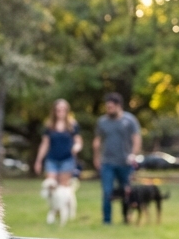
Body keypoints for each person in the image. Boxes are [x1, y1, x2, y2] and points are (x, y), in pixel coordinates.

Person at [93, 92, 141, 224]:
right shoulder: (102, 122)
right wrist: (96, 157)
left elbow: (136, 139)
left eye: (111, 107)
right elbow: (97, 141)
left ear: (118, 106)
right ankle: (107, 221)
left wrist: (133, 154)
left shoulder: (129, 120)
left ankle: (126, 218)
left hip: (125, 162)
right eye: (107, 107)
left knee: (126, 191)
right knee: (107, 191)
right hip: (107, 162)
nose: (108, 109)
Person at [33, 99, 83, 187]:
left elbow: (78, 142)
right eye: (58, 109)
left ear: (67, 110)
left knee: (63, 189)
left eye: (64, 109)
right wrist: (38, 160)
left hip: (67, 159)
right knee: (51, 186)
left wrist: (76, 147)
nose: (61, 111)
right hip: (52, 159)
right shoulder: (49, 126)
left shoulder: (73, 125)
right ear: (54, 111)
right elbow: (45, 144)